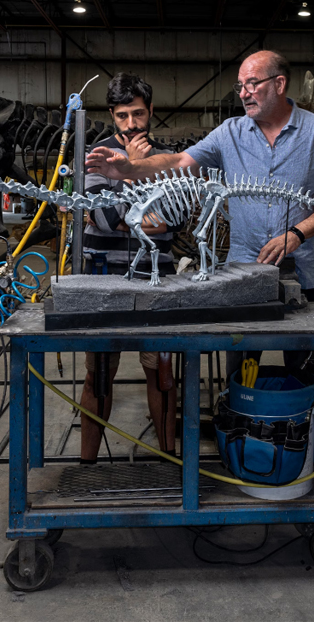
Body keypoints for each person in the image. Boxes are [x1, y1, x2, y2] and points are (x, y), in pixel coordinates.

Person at [86, 51, 314, 375]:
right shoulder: (229, 132)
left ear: (280, 84)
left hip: (304, 270)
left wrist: (298, 233)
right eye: (240, 85)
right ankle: (241, 422)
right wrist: (131, 168)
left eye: (252, 84)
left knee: (303, 367)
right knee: (241, 369)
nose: (242, 93)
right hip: (243, 270)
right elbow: (178, 162)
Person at [80, 73, 181, 463]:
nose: (131, 124)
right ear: (112, 114)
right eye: (122, 116)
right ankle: (87, 464)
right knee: (97, 373)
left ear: (151, 111)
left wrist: (118, 210)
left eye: (138, 114)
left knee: (161, 373)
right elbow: (103, 219)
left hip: (158, 282)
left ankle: (169, 460)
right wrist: (132, 170)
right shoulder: (95, 157)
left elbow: (171, 219)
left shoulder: (169, 158)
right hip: (103, 279)